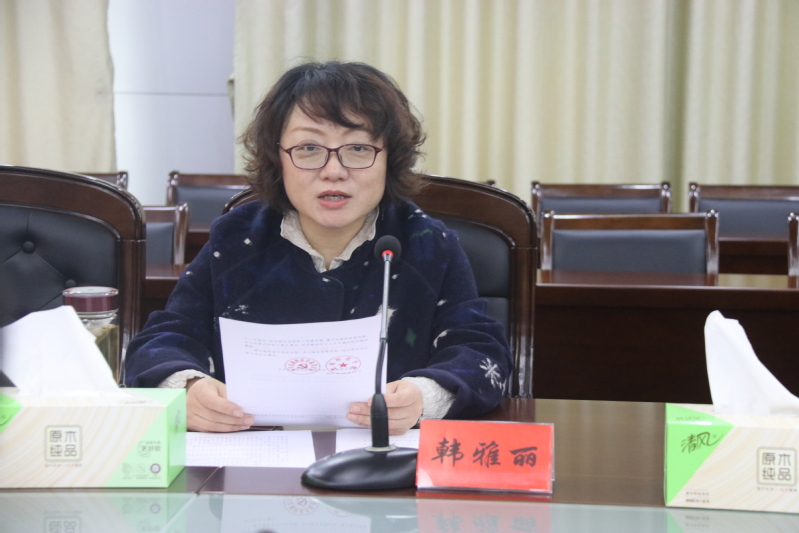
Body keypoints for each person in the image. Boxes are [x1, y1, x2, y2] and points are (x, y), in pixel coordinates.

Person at [125, 61, 512, 435]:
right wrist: (187, 390)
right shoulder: (237, 239)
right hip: (254, 459)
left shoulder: (427, 244)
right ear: (278, 158)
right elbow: (162, 340)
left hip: (382, 462)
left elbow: (482, 352)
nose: (334, 171)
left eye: (358, 148)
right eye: (309, 148)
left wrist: (422, 397)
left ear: (389, 159)